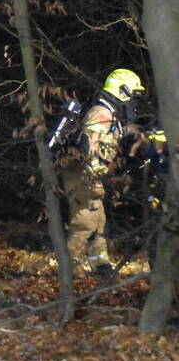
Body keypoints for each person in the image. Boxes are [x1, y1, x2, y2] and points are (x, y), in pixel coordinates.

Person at [62, 68, 145, 278]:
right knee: (85, 221)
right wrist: (95, 172)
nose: (133, 100)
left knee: (98, 221)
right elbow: (89, 144)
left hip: (92, 176)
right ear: (122, 90)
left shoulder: (110, 114)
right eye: (132, 94)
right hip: (83, 175)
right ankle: (72, 268)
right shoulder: (102, 113)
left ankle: (100, 265)